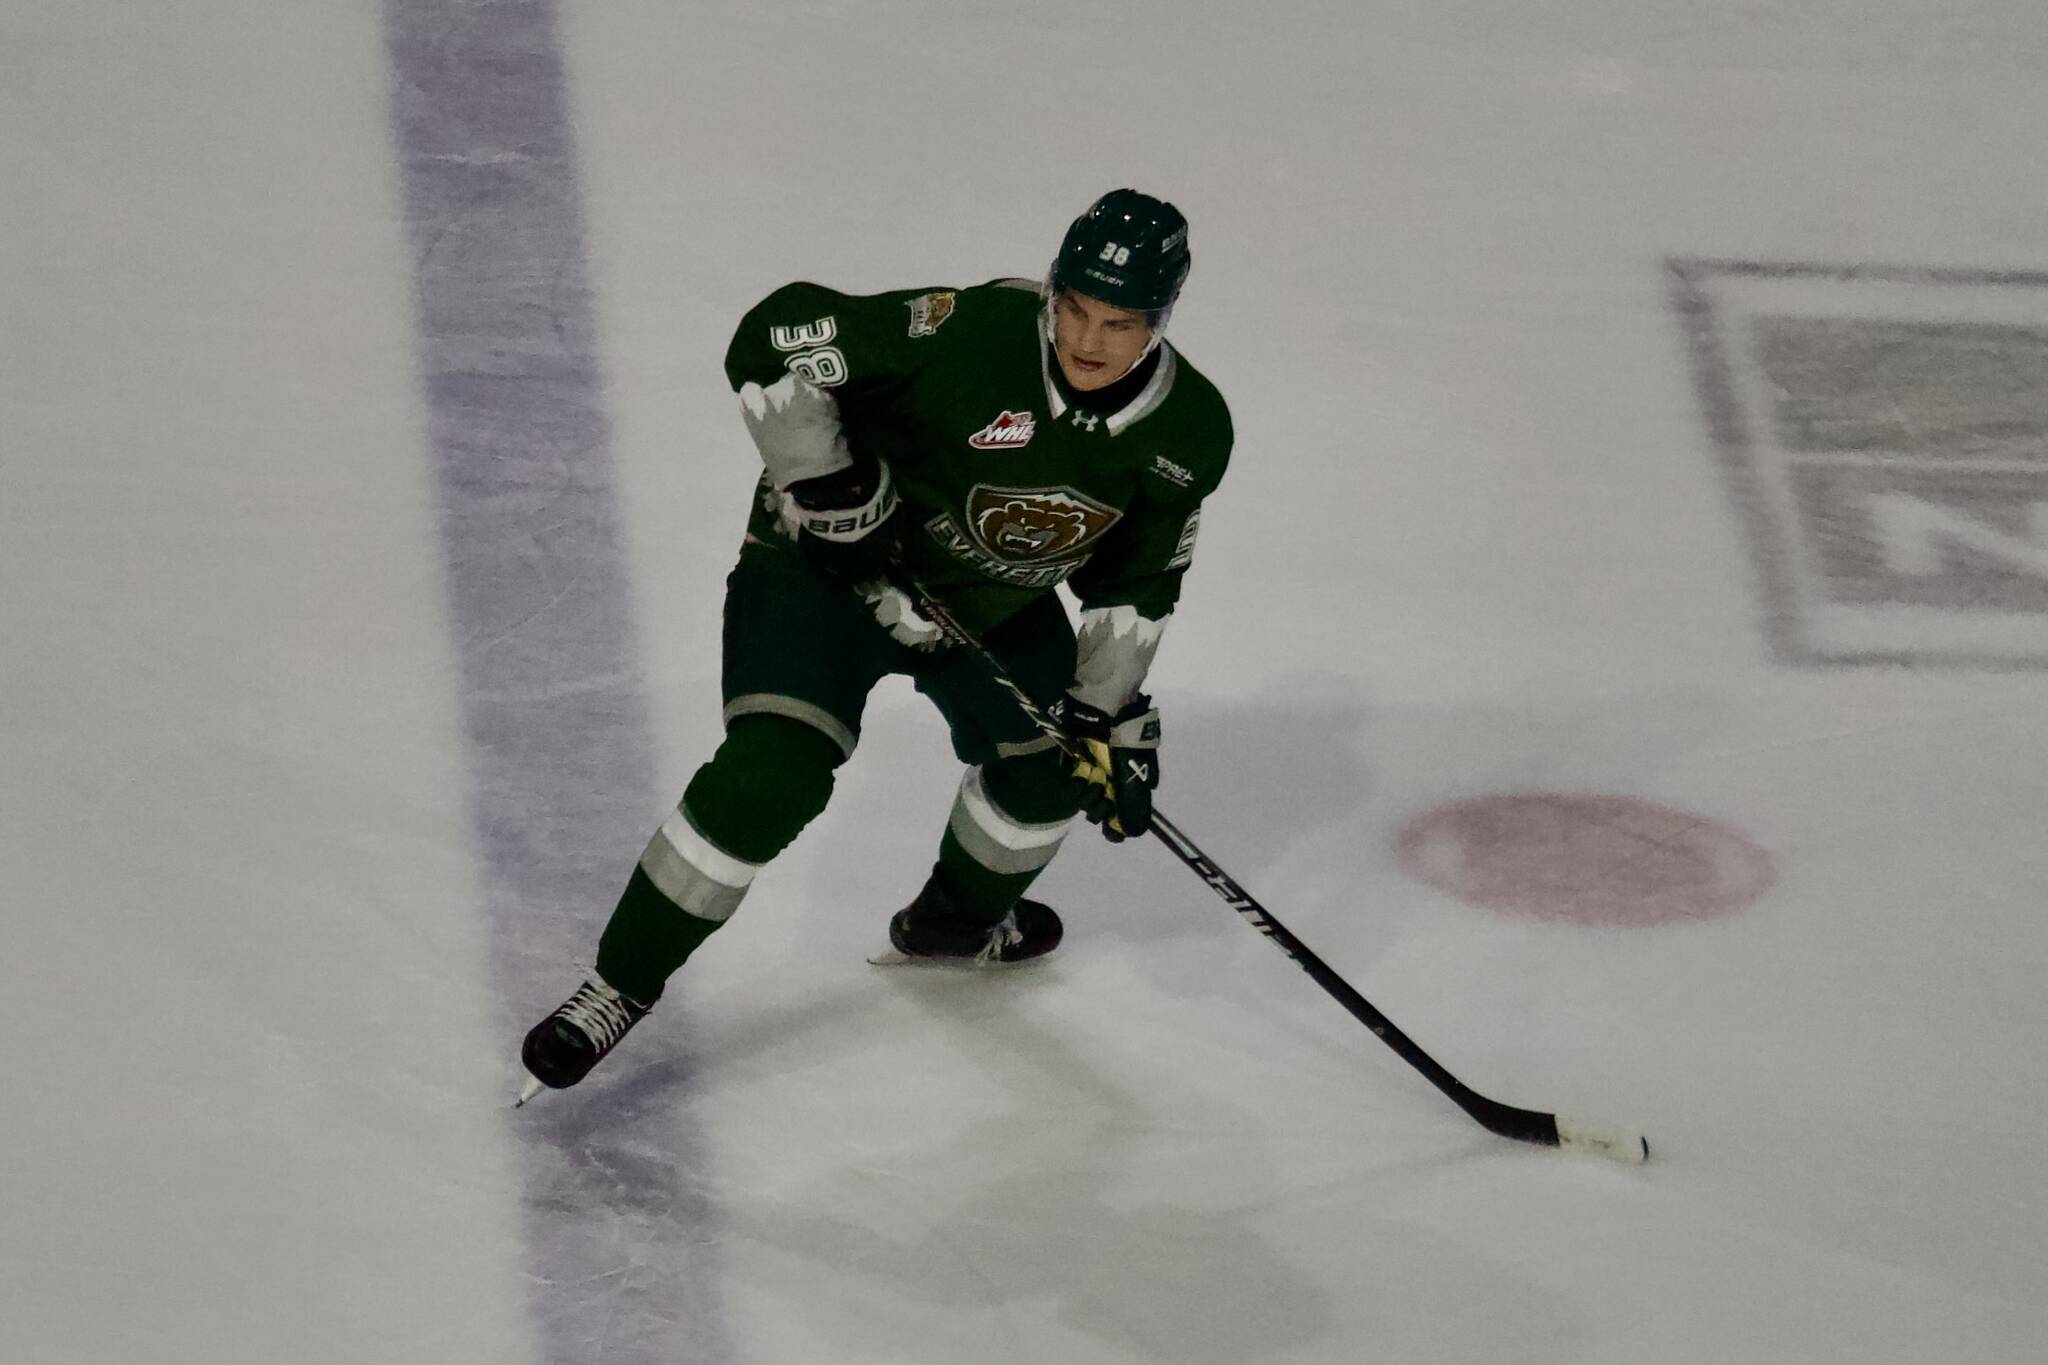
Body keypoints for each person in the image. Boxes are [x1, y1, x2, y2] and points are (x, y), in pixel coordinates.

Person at [520, 189, 1233, 1098]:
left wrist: (1102, 713)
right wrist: (829, 485)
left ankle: (953, 924)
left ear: (1161, 321)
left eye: (1120, 324)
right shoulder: (969, 332)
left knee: (1057, 765)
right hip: (822, 578)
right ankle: (618, 982)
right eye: (1075, 309)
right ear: (1053, 291)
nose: (1088, 341)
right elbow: (774, 337)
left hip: (987, 605)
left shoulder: (1189, 432)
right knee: (771, 774)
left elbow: (1137, 582)